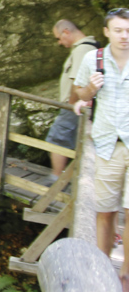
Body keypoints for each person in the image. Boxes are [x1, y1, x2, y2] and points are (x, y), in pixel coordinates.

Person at [71, 8, 129, 292]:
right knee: (105, 210)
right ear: (107, 32)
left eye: (128, 31)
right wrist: (90, 90)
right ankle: (102, 270)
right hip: (107, 143)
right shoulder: (93, 59)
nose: (124, 36)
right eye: (118, 30)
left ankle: (125, 277)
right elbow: (78, 94)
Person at [46, 19, 100, 181]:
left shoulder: (83, 49)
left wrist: (70, 104)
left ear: (66, 32)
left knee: (57, 139)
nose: (59, 43)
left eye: (59, 38)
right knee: (75, 142)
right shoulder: (85, 48)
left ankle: (56, 179)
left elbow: (77, 81)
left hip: (75, 105)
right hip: (79, 105)